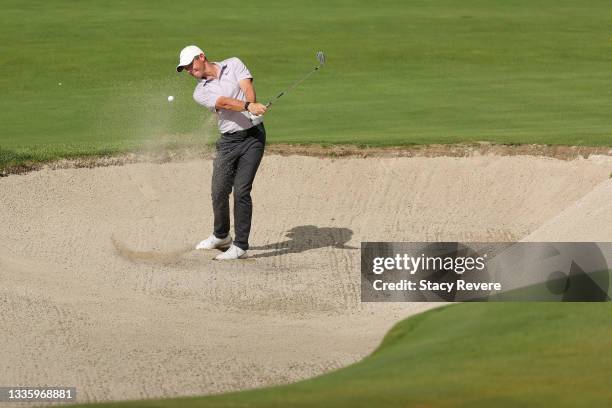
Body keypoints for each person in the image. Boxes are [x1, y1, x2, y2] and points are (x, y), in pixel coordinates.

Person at [176, 45, 267, 260]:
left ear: (201, 57)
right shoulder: (200, 92)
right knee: (218, 190)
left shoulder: (233, 63)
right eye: (185, 69)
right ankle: (221, 235)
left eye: (190, 65)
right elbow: (224, 103)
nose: (189, 70)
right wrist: (248, 106)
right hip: (229, 142)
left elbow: (247, 86)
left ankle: (241, 245)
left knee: (242, 190)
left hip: (253, 138)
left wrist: (252, 104)